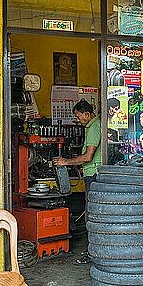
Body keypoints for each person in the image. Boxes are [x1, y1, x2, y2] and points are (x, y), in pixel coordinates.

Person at [54, 100, 101, 263]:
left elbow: (88, 157)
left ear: (87, 114)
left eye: (78, 116)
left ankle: (94, 253)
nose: (77, 120)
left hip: (94, 176)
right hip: (91, 174)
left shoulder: (94, 127)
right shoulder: (92, 126)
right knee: (91, 213)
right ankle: (93, 250)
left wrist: (65, 162)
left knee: (92, 215)